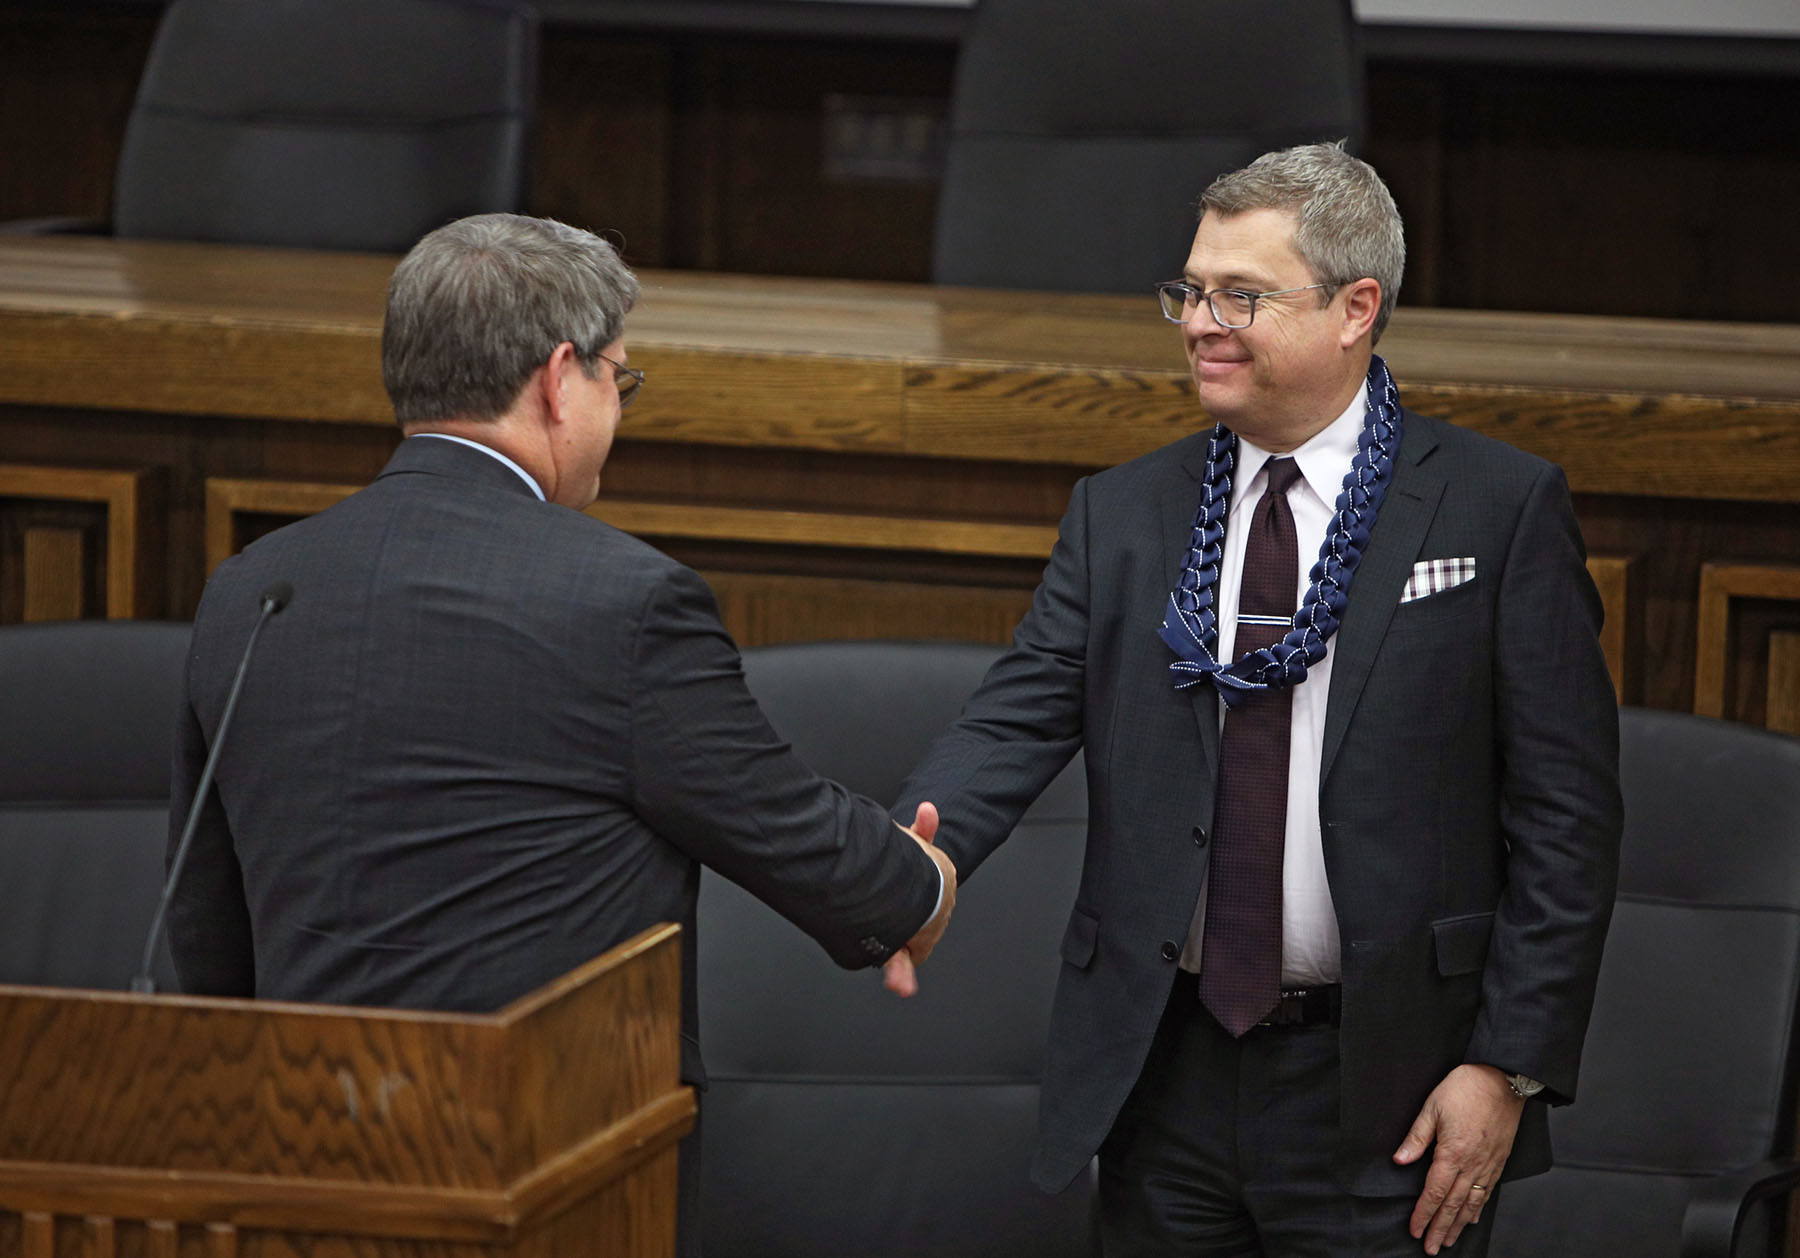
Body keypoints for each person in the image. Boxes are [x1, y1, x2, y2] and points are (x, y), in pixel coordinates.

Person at [166, 212, 956, 1256]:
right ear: (557, 377)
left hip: (300, 1175)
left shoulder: (245, 591)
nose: (616, 411)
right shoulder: (621, 602)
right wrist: (919, 883)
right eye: (618, 382)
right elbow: (817, 853)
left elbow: (203, 939)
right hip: (543, 1177)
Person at [889, 143, 1621, 1257]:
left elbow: (1567, 818)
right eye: (1189, 290)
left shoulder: (1494, 511)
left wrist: (1506, 1062)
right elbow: (1013, 718)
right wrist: (914, 863)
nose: (1198, 321)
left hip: (1388, 1088)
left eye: (1241, 295)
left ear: (1354, 308)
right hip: (1162, 1070)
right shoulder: (1123, 514)